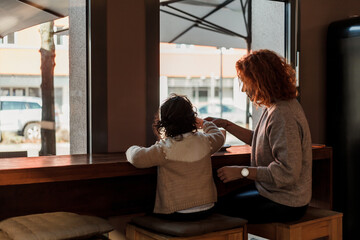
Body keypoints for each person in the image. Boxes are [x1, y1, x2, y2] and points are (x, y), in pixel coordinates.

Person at [206, 49, 312, 223]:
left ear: (260, 80)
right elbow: (263, 140)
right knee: (221, 201)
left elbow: (288, 173)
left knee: (217, 208)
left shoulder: (283, 114)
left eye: (245, 82)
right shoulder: (277, 106)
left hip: (286, 203)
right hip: (275, 194)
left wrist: (242, 172)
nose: (242, 89)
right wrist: (227, 125)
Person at [126, 94, 225, 221]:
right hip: (208, 208)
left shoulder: (164, 149)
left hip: (177, 212)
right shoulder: (205, 142)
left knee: (141, 216)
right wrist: (204, 123)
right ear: (192, 118)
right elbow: (219, 136)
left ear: (164, 123)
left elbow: (136, 158)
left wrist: (130, 149)